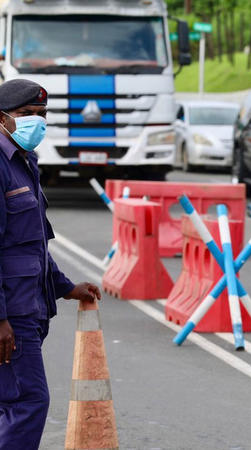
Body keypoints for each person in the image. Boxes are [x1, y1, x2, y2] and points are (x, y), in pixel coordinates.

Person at [0, 79, 101, 449]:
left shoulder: (24, 162)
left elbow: (31, 244)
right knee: (29, 403)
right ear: (2, 118)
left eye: (43, 115)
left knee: (10, 405)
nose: (37, 122)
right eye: (27, 115)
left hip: (26, 307)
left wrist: (64, 286)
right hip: (11, 313)